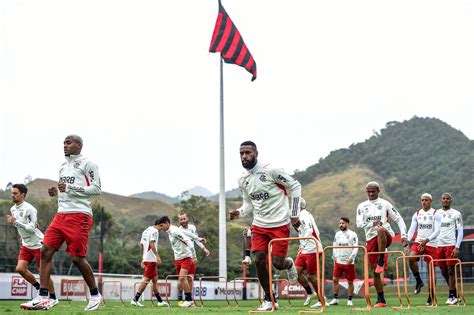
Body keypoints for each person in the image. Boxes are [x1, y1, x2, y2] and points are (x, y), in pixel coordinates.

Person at [22, 135, 102, 311]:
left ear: (79, 146)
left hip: (80, 215)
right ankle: (44, 296)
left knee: (77, 259)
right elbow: (65, 190)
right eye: (64, 143)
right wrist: (56, 192)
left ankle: (95, 294)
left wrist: (70, 188)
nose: (64, 146)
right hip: (61, 215)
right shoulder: (63, 166)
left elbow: (97, 189)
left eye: (68, 143)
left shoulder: (88, 163)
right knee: (45, 250)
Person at [229, 141, 301, 311]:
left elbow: (295, 186)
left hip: (280, 224)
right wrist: (239, 212)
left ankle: (289, 264)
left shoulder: (271, 171)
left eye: (247, 152)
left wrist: (294, 213)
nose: (244, 156)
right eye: (241, 153)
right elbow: (248, 205)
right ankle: (269, 300)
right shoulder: (242, 179)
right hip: (259, 225)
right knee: (259, 260)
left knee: (277, 263)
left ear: (256, 153)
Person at [356, 181, 407, 308]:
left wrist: (404, 235)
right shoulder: (362, 206)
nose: (371, 193)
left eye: (373, 191)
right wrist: (372, 224)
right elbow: (358, 223)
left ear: (378, 191)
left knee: (381, 230)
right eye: (369, 191)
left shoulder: (385, 204)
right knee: (375, 272)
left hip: (386, 234)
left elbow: (399, 219)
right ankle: (381, 299)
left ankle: (381, 260)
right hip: (370, 239)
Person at [7, 184, 58, 310]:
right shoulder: (13, 209)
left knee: (43, 274)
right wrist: (21, 235)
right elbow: (22, 228)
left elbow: (32, 228)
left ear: (23, 195)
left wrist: (16, 222)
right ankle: (39, 288)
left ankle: (53, 297)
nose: (13, 195)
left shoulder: (30, 209)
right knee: (20, 269)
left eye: (15, 193)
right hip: (26, 244)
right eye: (12, 193)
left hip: (38, 244)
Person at [156, 216, 209, 308]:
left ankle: (188, 300)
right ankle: (189, 301)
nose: (161, 228)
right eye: (159, 226)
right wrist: (198, 238)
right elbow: (186, 233)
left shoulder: (174, 231)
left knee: (182, 278)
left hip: (186, 257)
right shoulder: (171, 230)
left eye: (162, 225)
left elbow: (188, 241)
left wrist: (194, 256)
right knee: (181, 280)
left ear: (167, 223)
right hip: (177, 259)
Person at [405, 193, 441, 306]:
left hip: (432, 243)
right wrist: (407, 239)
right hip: (419, 241)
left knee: (431, 270)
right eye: (422, 200)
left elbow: (437, 230)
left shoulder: (436, 213)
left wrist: (427, 240)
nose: (424, 202)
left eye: (426, 200)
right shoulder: (417, 214)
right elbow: (411, 229)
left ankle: (431, 296)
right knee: (411, 258)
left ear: (430, 201)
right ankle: (419, 281)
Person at [292, 198, 325, 308]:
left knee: (311, 276)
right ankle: (310, 293)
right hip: (305, 248)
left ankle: (321, 299)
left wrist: (304, 244)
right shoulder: (301, 215)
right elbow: (304, 230)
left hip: (312, 248)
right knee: (295, 273)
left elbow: (309, 230)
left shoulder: (304, 215)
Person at [131, 219, 168, 307]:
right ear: (159, 225)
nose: (161, 229)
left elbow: (141, 245)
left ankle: (160, 301)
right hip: (151, 259)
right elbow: (152, 244)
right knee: (146, 280)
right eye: (161, 227)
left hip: (147, 259)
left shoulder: (146, 230)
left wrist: (143, 258)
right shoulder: (155, 231)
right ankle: (135, 300)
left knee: (155, 279)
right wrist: (157, 256)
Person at [176, 213, 209, 305]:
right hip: (183, 257)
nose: (183, 221)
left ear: (187, 219)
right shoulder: (178, 230)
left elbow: (195, 239)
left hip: (192, 257)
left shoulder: (192, 227)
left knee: (190, 278)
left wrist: (204, 248)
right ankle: (179, 298)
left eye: (184, 219)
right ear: (179, 221)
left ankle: (190, 300)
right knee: (181, 280)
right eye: (181, 219)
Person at [437, 193, 463, 305]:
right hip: (439, 245)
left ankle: (451, 296)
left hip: (451, 245)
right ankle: (455, 293)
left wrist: (457, 246)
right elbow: (434, 230)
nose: (446, 200)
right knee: (443, 271)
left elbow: (460, 230)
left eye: (448, 199)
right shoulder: (436, 213)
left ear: (451, 200)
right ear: (441, 200)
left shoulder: (456, 214)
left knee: (451, 270)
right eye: (444, 199)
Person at [330, 217, 359, 306]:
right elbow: (334, 245)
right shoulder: (337, 234)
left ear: (347, 224)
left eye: (342, 223)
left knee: (350, 281)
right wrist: (334, 255)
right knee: (335, 280)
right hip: (338, 261)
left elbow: (356, 247)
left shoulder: (353, 234)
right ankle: (335, 299)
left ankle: (349, 300)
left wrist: (352, 258)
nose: (341, 225)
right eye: (340, 223)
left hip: (349, 262)